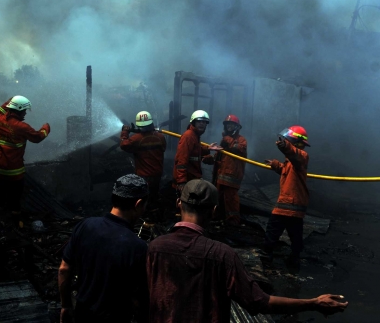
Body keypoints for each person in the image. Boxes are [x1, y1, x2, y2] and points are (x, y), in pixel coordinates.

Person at [146, 179, 349, 322]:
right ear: (214, 211)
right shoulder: (222, 255)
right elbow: (259, 302)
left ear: (178, 203)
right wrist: (313, 302)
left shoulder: (154, 249)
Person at [58, 174, 149, 323]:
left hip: (82, 314)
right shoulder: (137, 247)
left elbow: (64, 269)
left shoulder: (85, 226)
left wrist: (66, 305)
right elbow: (138, 296)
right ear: (138, 204)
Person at [0, 95, 50, 226]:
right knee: (14, 200)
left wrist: (10, 101)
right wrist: (46, 128)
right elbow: (38, 137)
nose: (25, 113)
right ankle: (15, 223)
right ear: (20, 109)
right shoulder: (22, 127)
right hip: (13, 173)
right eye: (24, 110)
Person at [262, 125, 310, 267]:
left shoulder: (301, 156)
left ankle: (266, 259)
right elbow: (286, 171)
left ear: (294, 142)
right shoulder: (291, 161)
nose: (285, 141)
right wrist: (276, 164)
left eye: (288, 140)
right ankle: (294, 259)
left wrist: (284, 146)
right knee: (295, 234)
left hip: (287, 205)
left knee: (272, 231)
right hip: (294, 207)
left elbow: (293, 153)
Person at [120, 110, 167, 206]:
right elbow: (163, 148)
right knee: (154, 195)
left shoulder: (136, 138)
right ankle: (154, 215)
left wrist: (125, 133)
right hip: (157, 173)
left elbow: (124, 145)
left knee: (143, 198)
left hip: (143, 175)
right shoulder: (161, 137)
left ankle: (145, 216)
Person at [173, 110, 222, 193]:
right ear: (193, 122)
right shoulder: (188, 136)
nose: (202, 124)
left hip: (192, 179)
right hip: (187, 181)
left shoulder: (195, 136)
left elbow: (195, 151)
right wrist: (181, 182)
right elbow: (181, 160)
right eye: (199, 121)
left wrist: (208, 148)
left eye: (204, 122)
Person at [212, 114, 247, 226]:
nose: (229, 126)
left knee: (231, 200)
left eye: (232, 124)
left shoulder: (241, 140)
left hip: (232, 178)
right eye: (227, 124)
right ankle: (220, 218)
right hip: (221, 176)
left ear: (237, 127)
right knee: (219, 199)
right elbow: (220, 155)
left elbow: (239, 149)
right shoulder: (225, 140)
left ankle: (233, 222)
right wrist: (211, 158)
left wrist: (227, 139)